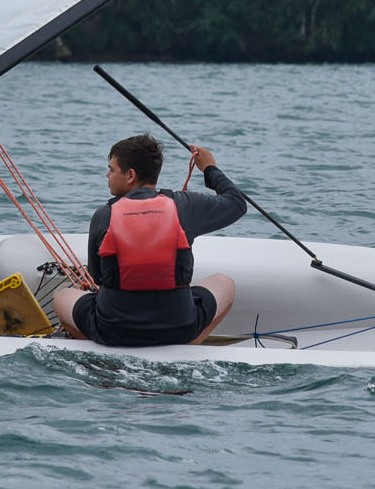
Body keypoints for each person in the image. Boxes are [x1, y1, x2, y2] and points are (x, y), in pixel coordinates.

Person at [53, 133, 246, 347]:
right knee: (225, 283)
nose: (107, 175)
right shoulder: (185, 206)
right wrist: (210, 168)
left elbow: (97, 277)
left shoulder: (103, 215)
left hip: (113, 330)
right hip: (181, 328)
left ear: (130, 175)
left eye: (112, 169)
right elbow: (236, 203)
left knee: (61, 297)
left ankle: (104, 349)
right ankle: (187, 347)